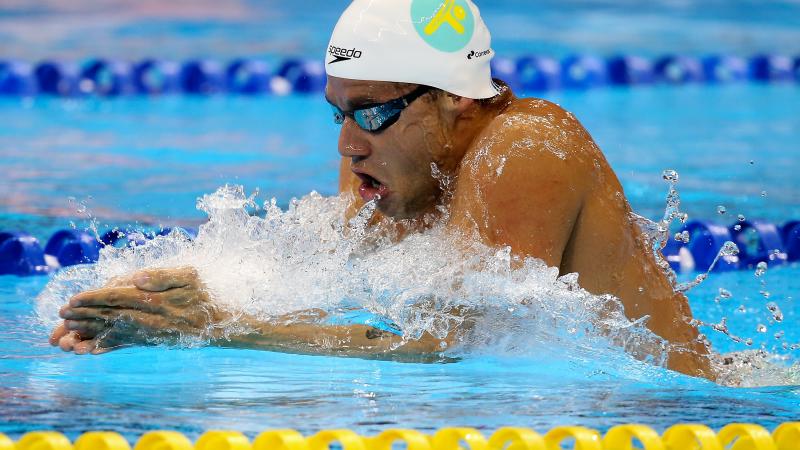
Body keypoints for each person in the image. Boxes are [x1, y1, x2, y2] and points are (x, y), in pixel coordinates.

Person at [49, 0, 713, 379]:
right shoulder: (384, 158)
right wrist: (164, 303)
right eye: (339, 113)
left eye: (370, 113)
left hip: (670, 415)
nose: (348, 144)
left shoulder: (527, 149)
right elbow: (318, 280)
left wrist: (224, 328)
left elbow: (459, 344)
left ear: (456, 100)